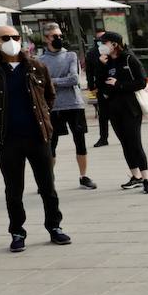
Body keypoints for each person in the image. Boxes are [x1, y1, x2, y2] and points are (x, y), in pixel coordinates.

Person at [0, 25, 72, 252]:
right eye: (5, 38)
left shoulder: (36, 66)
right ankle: (17, 231)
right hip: (8, 139)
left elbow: (49, 97)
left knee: (48, 187)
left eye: (15, 37)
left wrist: (42, 120)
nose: (12, 41)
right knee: (13, 189)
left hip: (38, 136)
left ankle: (54, 227)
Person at [37, 22, 96, 189]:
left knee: (80, 142)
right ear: (46, 38)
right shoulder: (40, 60)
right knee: (51, 145)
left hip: (74, 105)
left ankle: (83, 176)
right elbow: (40, 83)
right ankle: (49, 178)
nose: (59, 39)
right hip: (53, 107)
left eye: (60, 36)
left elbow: (74, 79)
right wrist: (54, 82)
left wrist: (52, 81)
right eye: (55, 36)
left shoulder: (71, 55)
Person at [96, 31, 148, 194]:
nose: (101, 46)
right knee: (125, 144)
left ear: (114, 44)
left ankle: (146, 179)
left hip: (131, 109)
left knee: (135, 143)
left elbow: (142, 82)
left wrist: (119, 84)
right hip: (113, 110)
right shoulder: (106, 62)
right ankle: (135, 177)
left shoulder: (129, 58)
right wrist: (101, 65)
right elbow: (99, 84)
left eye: (104, 43)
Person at [86, 28, 110, 147]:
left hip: (114, 86)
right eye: (99, 39)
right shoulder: (92, 53)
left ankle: (125, 135)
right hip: (101, 86)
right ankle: (103, 137)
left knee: (119, 113)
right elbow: (89, 71)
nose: (102, 41)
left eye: (104, 38)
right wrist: (91, 86)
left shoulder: (113, 51)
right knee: (103, 114)